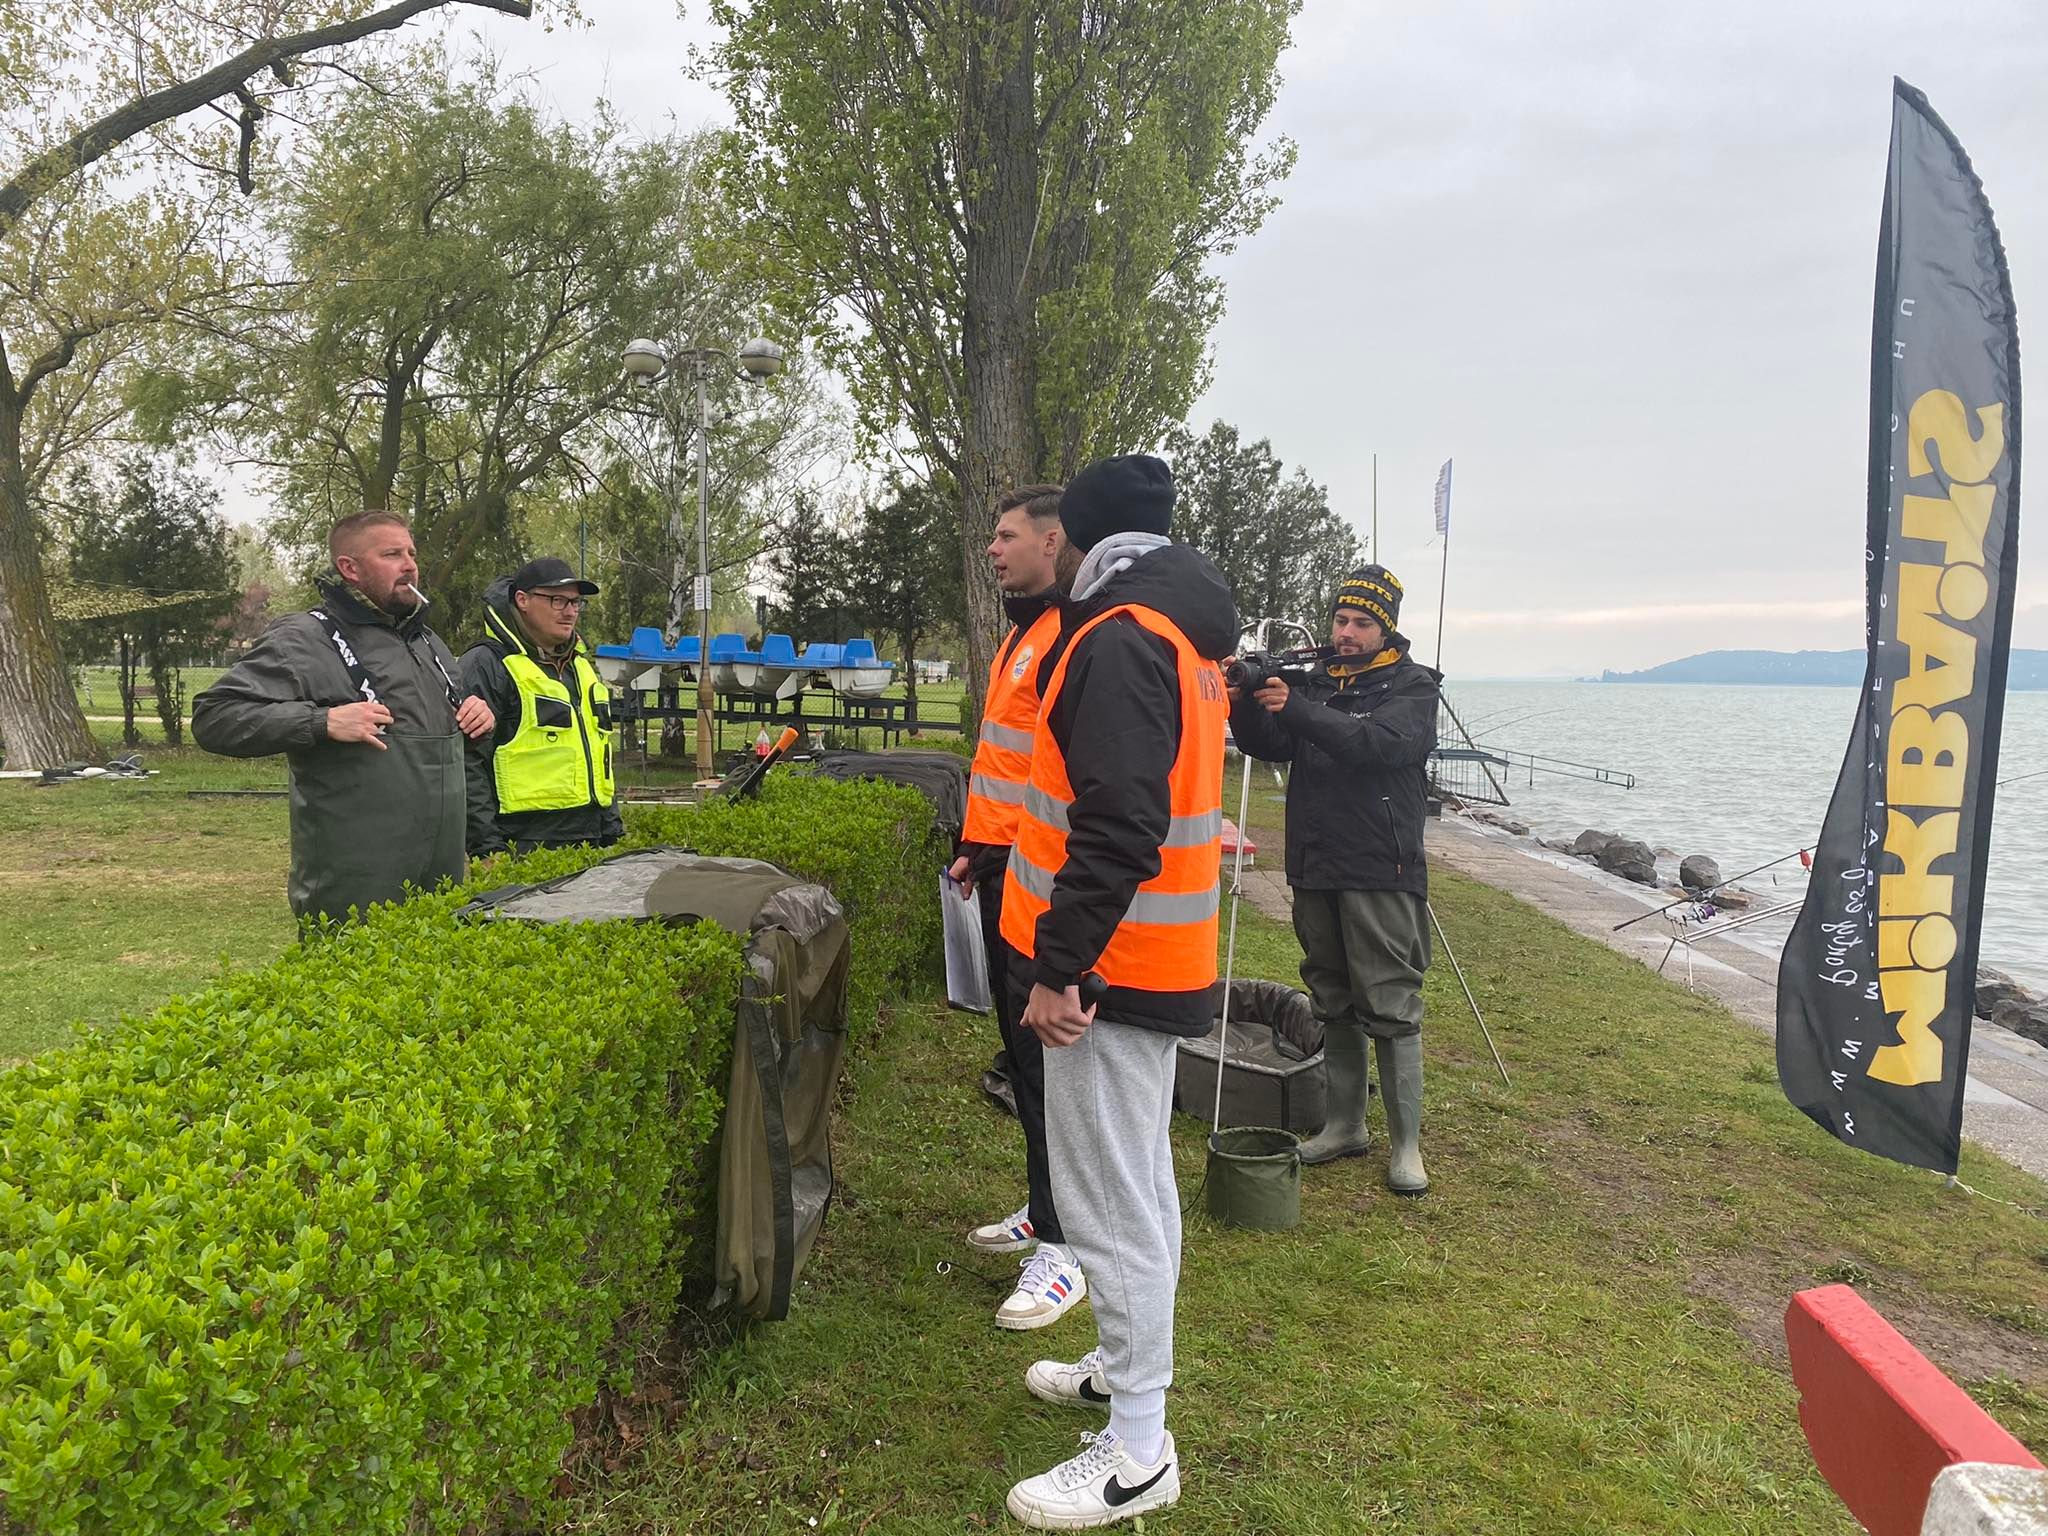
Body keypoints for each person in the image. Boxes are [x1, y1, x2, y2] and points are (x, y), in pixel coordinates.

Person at [999, 454, 1234, 1530]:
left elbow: (1120, 825)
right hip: (1145, 962)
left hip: (1112, 974)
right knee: (1137, 1185)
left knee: (1111, 1202)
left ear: (1078, 540)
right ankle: (1119, 1373)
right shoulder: (1181, 631)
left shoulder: (1118, 636)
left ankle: (1139, 1450)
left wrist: (1061, 969)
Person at [1225, 564, 1440, 1192]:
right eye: (1341, 619)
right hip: (1315, 863)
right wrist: (1245, 700)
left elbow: (1375, 745)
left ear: (1386, 628)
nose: (1346, 632)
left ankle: (1406, 1146)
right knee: (1332, 997)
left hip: (1380, 867)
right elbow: (1271, 744)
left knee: (1390, 1002)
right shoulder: (1321, 681)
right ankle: (1346, 1125)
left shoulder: (1413, 688)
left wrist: (1296, 707)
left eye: (1361, 622)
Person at [192, 510, 494, 922]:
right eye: (391, 555)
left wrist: (478, 721)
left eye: (411, 553)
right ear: (350, 568)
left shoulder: (428, 643)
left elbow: (451, 745)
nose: (409, 565)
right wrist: (322, 722)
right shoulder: (304, 637)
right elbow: (214, 717)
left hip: (440, 889)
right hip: (353, 891)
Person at [945, 484, 1080, 1331]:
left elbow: (1062, 779)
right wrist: (978, 845)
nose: (992, 549)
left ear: (1052, 541)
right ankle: (1044, 1206)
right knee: (1022, 1059)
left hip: (1047, 886)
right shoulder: (1020, 634)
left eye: (1006, 536)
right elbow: (1005, 765)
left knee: (1049, 1068)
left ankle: (1068, 1247)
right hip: (1005, 874)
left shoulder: (1068, 637)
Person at [459, 557, 622, 859]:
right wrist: (488, 849)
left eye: (576, 602)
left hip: (593, 841)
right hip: (522, 846)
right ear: (522, 600)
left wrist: (613, 833)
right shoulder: (487, 664)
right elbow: (468, 765)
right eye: (558, 600)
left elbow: (600, 758)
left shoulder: (581, 667)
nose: (570, 611)